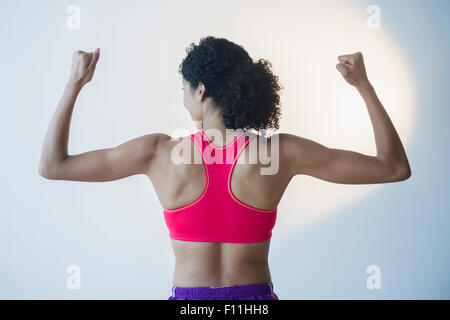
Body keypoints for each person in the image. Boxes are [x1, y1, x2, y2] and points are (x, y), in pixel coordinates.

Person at [38, 36, 411, 300]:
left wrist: (75, 83)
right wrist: (363, 85)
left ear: (200, 90)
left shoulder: (156, 152)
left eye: (183, 88)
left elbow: (53, 165)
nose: (183, 97)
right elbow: (393, 168)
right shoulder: (280, 153)